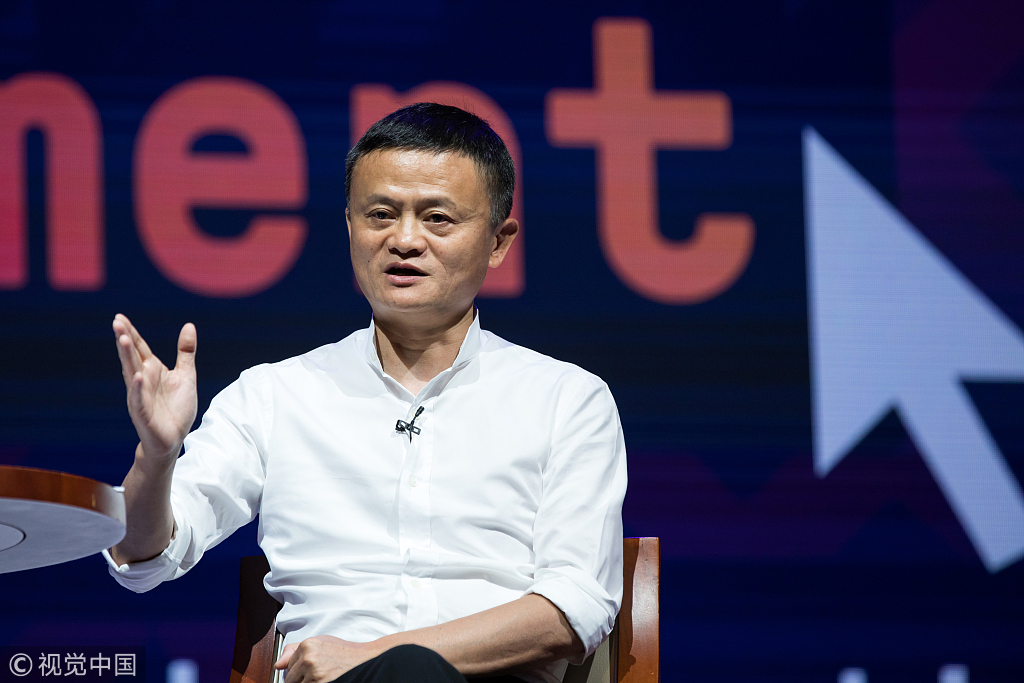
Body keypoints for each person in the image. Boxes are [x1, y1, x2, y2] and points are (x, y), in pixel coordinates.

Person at [104, 103, 626, 683]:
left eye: (438, 219)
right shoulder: (274, 395)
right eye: (380, 214)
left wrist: (384, 655)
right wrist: (157, 457)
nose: (404, 240)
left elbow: (576, 606)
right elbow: (144, 560)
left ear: (499, 241)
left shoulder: (567, 399)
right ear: (350, 227)